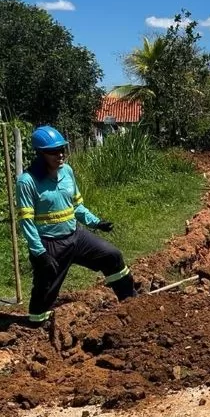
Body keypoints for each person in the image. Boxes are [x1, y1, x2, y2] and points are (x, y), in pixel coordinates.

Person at [16, 125, 135, 327]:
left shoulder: (67, 171)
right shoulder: (27, 182)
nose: (60, 155)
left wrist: (96, 222)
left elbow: (77, 206)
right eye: (53, 151)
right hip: (50, 244)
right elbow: (26, 221)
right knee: (44, 292)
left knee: (112, 256)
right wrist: (40, 253)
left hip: (76, 237)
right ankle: (36, 327)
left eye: (62, 149)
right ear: (40, 153)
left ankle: (131, 301)